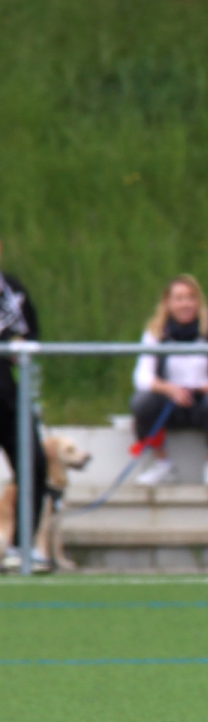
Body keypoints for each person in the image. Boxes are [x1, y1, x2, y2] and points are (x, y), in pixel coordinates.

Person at [130, 275, 208, 488]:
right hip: (170, 402)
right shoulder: (156, 330)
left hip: (204, 400)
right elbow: (142, 376)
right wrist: (168, 388)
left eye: (191, 297)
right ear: (168, 303)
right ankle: (162, 463)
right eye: (179, 298)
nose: (186, 304)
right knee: (142, 402)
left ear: (199, 301)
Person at [0, 236, 47, 569]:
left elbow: (31, 333)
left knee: (33, 461)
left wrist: (22, 345)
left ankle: (22, 545)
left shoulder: (12, 289)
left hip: (8, 393)